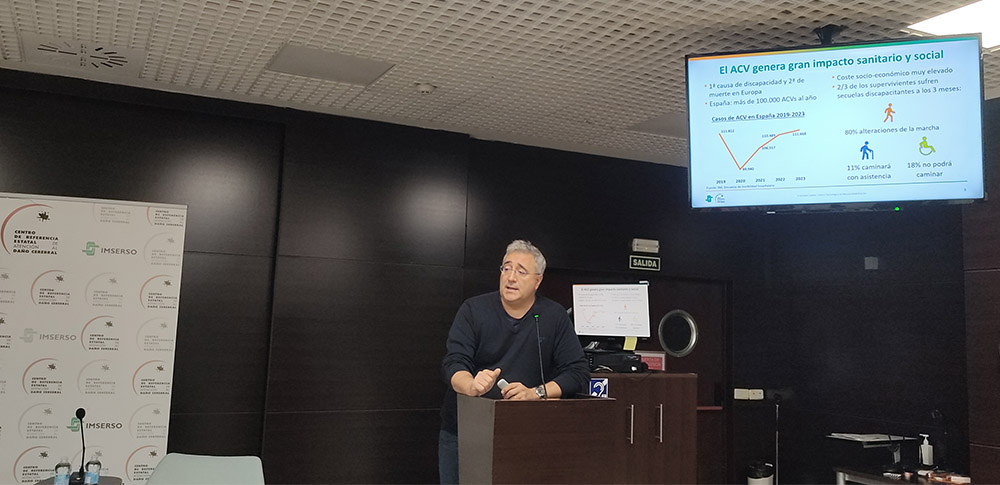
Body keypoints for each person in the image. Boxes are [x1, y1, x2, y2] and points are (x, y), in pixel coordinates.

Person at [438, 240, 590, 484]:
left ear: (538, 280)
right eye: (506, 268)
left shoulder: (553, 316)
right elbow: (453, 363)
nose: (511, 277)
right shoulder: (473, 310)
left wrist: (536, 393)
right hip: (466, 433)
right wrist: (471, 386)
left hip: (527, 435)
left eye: (521, 271)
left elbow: (578, 373)